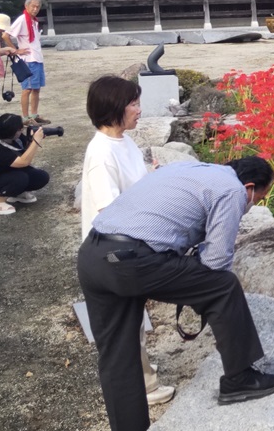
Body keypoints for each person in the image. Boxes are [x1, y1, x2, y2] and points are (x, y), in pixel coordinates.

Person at [78, 158, 274, 431]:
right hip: (131, 261)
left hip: (92, 256)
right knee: (224, 286)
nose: (255, 204)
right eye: (259, 197)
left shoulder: (188, 168)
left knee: (118, 356)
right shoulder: (233, 190)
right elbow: (216, 262)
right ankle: (239, 378)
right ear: (249, 187)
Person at [80, 75, 175, 406]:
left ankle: (142, 371)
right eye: (133, 103)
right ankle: (143, 386)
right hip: (111, 251)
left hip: (127, 244)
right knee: (123, 321)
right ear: (114, 109)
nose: (139, 110)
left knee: (132, 316)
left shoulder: (123, 141)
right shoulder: (102, 153)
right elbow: (111, 209)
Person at [0, 113, 50, 215]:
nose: (22, 130)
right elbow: (23, 162)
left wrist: (32, 132)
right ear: (11, 132)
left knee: (40, 177)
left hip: (5, 174)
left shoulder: (13, 137)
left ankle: (17, 194)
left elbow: (24, 152)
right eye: (20, 129)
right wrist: (36, 141)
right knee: (20, 177)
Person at [6, 0, 50, 126]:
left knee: (36, 88)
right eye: (33, 6)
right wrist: (15, 50)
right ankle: (25, 118)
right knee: (27, 89)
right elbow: (6, 35)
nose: (35, 9)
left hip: (37, 58)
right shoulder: (22, 20)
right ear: (26, 6)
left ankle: (34, 115)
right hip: (28, 59)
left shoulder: (34, 21)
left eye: (38, 6)